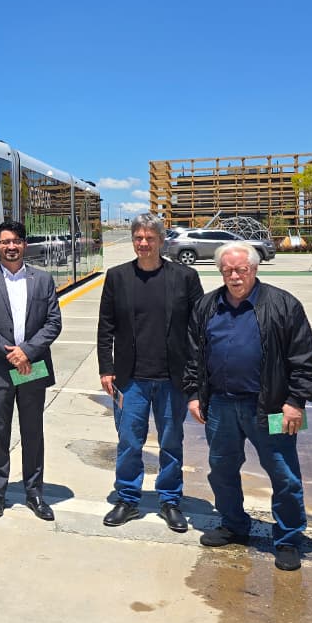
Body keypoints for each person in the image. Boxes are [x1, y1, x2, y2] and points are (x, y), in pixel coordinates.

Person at [184, 243, 312, 571]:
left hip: (271, 407)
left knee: (284, 474)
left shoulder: (283, 305)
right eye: (227, 270)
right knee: (222, 470)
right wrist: (193, 394)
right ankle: (234, 525)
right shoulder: (206, 306)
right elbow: (193, 356)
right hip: (220, 405)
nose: (234, 276)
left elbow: (305, 360)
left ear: (254, 269)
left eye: (241, 270)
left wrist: (296, 402)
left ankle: (288, 538)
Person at [96, 213, 203, 532]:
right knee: (129, 441)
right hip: (130, 379)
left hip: (172, 379)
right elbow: (105, 326)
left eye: (149, 238)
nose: (143, 243)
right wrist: (106, 368)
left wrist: (196, 374)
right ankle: (128, 499)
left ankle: (170, 500)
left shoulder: (185, 277)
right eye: (138, 238)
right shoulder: (117, 277)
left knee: (171, 441)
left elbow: (198, 329)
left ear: (161, 241)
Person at [0, 221, 62, 520]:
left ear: (24, 245)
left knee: (32, 431)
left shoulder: (43, 280)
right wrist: (11, 353)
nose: (11, 247)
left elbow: (53, 323)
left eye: (16, 241)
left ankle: (34, 492)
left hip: (32, 366)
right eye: (5, 242)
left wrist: (27, 352)